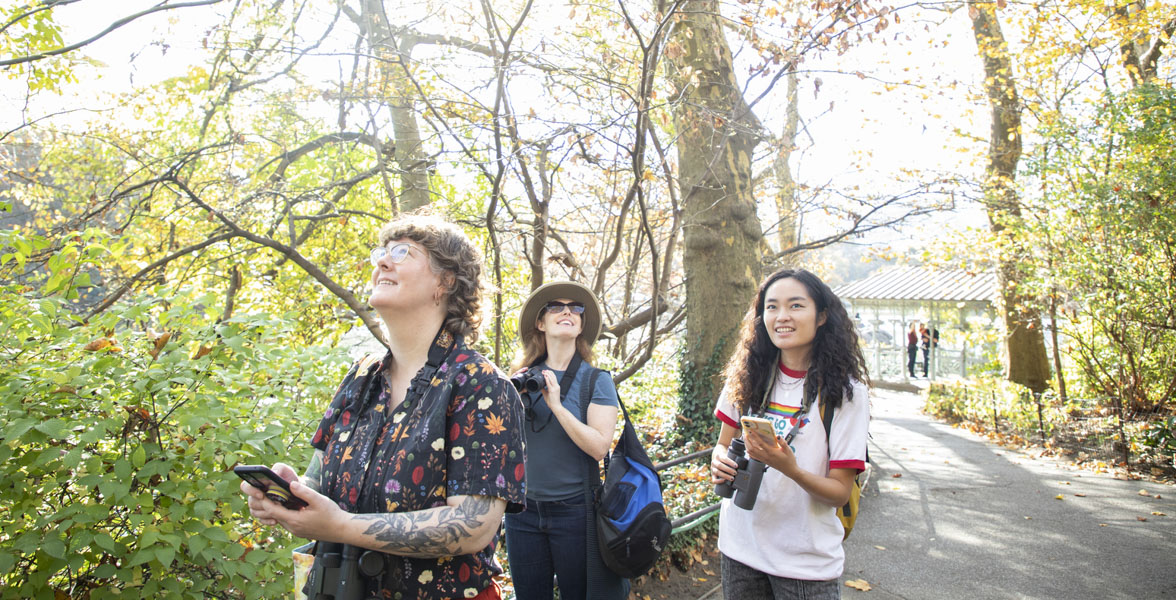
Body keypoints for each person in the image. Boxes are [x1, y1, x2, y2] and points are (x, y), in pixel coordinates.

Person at [240, 213, 526, 600]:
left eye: (402, 252)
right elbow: (320, 477)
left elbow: (472, 525)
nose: (382, 262)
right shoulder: (362, 375)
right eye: (382, 252)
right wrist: (292, 494)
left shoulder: (480, 384)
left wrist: (340, 525)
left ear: (445, 281)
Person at [710, 268, 869, 599]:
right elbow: (722, 445)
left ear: (822, 316)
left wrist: (790, 468)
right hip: (739, 548)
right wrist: (720, 461)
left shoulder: (846, 392)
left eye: (796, 306)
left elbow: (839, 492)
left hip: (805, 565)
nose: (782, 316)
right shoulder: (747, 374)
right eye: (772, 307)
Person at [504, 281, 626, 600]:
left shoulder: (596, 381)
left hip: (576, 512)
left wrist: (557, 406)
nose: (567, 311)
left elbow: (600, 446)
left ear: (581, 324)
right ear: (540, 323)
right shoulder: (521, 379)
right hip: (522, 513)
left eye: (575, 308)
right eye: (556, 307)